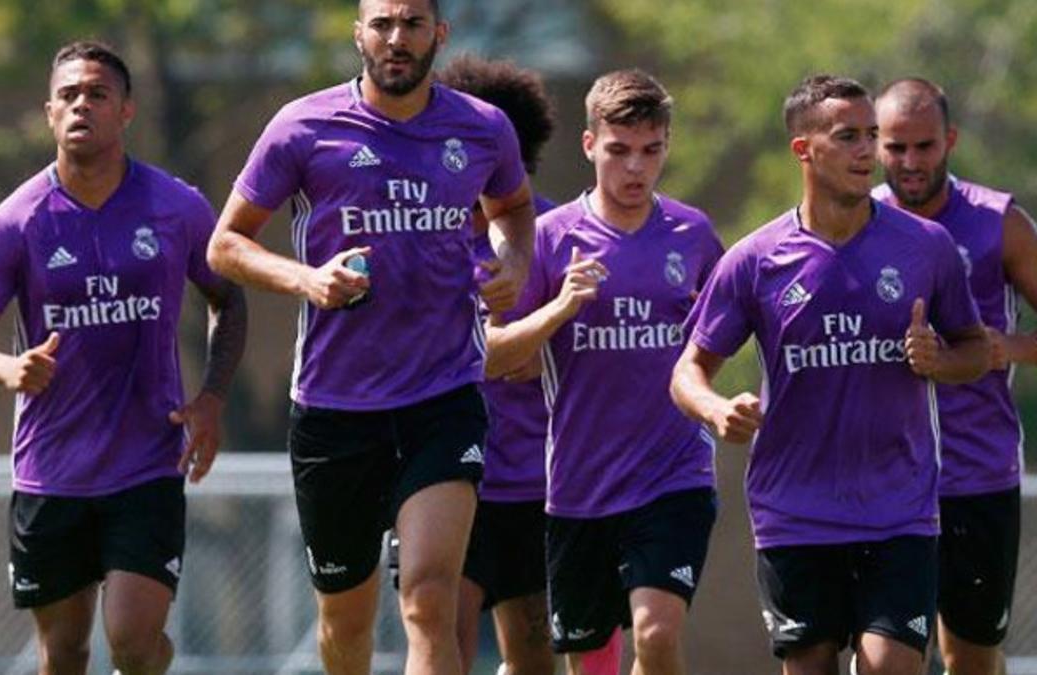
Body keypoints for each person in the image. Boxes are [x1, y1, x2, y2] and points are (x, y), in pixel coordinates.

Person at [205, 0, 536, 672]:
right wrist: (307, 280)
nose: (396, 38)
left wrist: (513, 259)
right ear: (359, 33)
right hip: (336, 409)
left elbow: (513, 207)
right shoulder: (303, 127)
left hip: (443, 395)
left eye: (412, 24)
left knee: (428, 597)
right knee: (345, 627)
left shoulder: (481, 129)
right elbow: (225, 244)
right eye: (382, 23)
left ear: (438, 35)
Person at [670, 74, 990, 675]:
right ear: (804, 149)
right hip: (795, 514)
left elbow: (975, 347)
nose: (868, 150)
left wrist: (939, 360)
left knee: (891, 666)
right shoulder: (756, 261)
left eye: (872, 134)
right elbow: (688, 369)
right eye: (848, 136)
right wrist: (715, 409)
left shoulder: (927, 247)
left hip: (900, 510)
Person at [0, 41, 247, 675]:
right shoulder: (16, 222)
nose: (82, 104)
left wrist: (213, 398)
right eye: (69, 95)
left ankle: (153, 658)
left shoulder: (176, 207)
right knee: (65, 653)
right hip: (52, 471)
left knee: (134, 640)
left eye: (98, 93)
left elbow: (228, 298)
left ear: (126, 111)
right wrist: (8, 368)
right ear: (49, 113)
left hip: (147, 463)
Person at [486, 68, 723, 675]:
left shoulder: (694, 236)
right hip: (579, 487)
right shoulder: (550, 238)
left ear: (667, 145)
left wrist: (723, 403)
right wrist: (560, 309)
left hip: (674, 475)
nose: (636, 168)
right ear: (590, 146)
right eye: (619, 151)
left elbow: (727, 333)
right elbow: (490, 354)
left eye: (651, 151)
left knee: (657, 630)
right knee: (593, 664)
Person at [873, 77, 1037, 675]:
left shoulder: (999, 222)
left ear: (951, 140)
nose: (910, 162)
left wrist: (1007, 347)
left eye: (924, 146)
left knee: (968, 656)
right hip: (883, 478)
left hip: (976, 474)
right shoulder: (859, 224)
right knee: (885, 656)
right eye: (895, 148)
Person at [436, 54, 557, 675]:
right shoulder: (424, 228)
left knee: (533, 657)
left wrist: (544, 351)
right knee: (440, 641)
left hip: (536, 478)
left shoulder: (555, 231)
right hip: (446, 470)